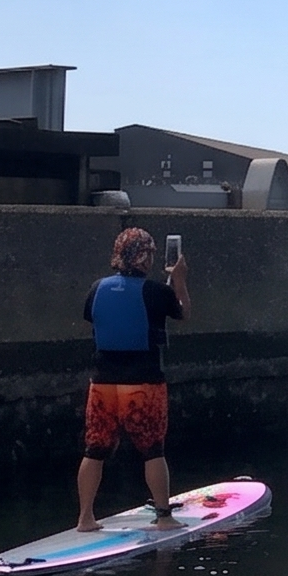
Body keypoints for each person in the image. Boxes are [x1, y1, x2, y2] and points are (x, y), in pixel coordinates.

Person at [78, 227, 189, 533]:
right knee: (152, 450)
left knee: (95, 449)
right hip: (143, 384)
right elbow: (182, 312)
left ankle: (85, 518)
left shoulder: (96, 287)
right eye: (150, 253)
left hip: (102, 383)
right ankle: (164, 516)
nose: (152, 259)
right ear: (142, 256)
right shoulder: (156, 290)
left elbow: (94, 317)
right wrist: (179, 281)